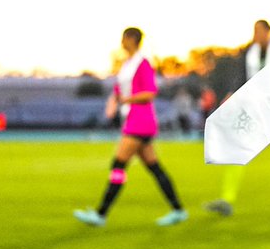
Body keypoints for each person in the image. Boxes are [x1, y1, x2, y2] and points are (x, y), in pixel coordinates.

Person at [74, 27, 187, 227]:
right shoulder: (127, 64)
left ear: (132, 39)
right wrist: (114, 101)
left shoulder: (142, 64)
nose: (121, 42)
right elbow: (120, 90)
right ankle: (178, 210)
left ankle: (101, 214)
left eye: (124, 38)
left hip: (140, 121)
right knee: (154, 168)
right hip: (133, 119)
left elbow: (150, 93)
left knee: (118, 164)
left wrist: (126, 99)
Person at [204, 20, 270, 217]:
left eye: (259, 31)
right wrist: (231, 94)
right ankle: (227, 199)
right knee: (237, 150)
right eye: (254, 31)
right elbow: (241, 77)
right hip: (254, 111)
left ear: (268, 32)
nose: (256, 35)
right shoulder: (249, 53)